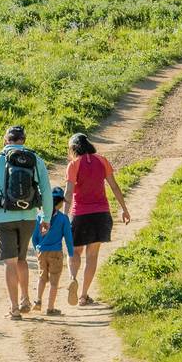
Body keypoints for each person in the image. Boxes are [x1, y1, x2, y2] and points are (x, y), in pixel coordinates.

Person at [0, 123, 49, 319]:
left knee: (9, 263)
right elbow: (46, 191)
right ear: (23, 141)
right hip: (28, 217)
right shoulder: (36, 160)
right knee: (22, 259)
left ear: (5, 140)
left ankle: (14, 308)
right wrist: (47, 217)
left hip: (4, 218)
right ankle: (25, 298)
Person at [65, 130, 129, 307]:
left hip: (80, 215)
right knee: (92, 256)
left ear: (73, 149)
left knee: (75, 252)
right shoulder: (102, 160)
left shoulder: (74, 165)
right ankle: (84, 296)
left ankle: (72, 278)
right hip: (101, 214)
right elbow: (114, 186)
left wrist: (63, 215)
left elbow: (68, 193)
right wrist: (124, 209)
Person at [32, 186, 73, 315]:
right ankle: (50, 308)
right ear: (60, 202)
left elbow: (34, 238)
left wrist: (37, 248)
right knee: (54, 281)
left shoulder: (39, 217)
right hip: (56, 253)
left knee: (42, 277)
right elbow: (68, 238)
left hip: (41, 252)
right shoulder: (63, 219)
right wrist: (71, 253)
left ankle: (38, 301)